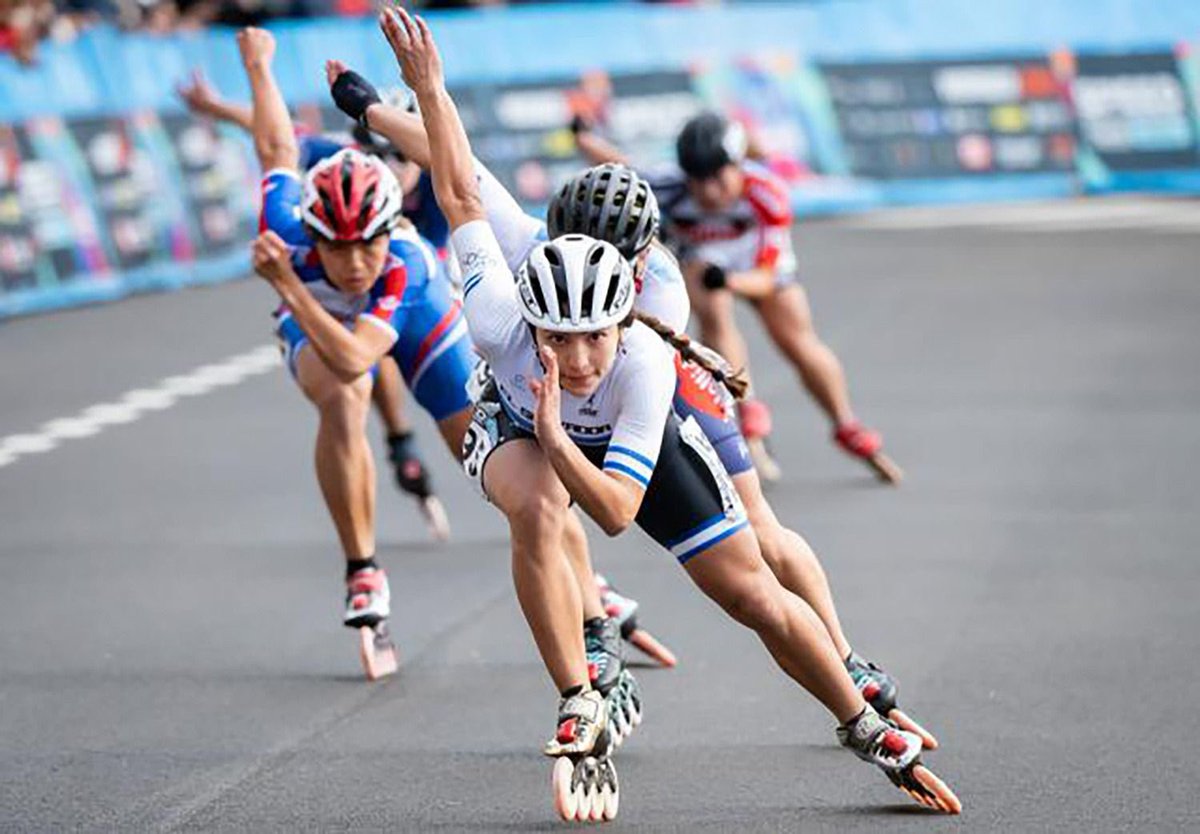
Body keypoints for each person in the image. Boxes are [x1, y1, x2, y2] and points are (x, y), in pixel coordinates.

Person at [380, 6, 960, 820]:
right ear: (532, 307)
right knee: (538, 505)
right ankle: (581, 684)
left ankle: (856, 702)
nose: (576, 358)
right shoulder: (498, 316)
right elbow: (458, 180)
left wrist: (558, 422)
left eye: (594, 339)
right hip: (519, 422)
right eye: (558, 338)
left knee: (752, 584)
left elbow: (617, 510)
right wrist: (412, 94)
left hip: (622, 426)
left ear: (624, 308)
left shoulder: (652, 340)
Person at [237, 26, 477, 678]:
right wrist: (260, 67)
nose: (349, 263)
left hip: (409, 308)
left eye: (362, 245)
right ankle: (363, 569)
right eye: (333, 248)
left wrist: (290, 281)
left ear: (387, 226)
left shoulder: (402, 258)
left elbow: (359, 349)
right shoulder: (285, 220)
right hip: (323, 322)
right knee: (346, 397)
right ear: (312, 230)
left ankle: (588, 587)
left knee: (485, 453)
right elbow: (273, 145)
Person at [176, 67, 449, 536]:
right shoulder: (348, 172)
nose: (386, 170)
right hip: (362, 292)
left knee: (403, 329)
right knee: (363, 348)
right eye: (373, 155)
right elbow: (280, 138)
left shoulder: (438, 184)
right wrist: (218, 107)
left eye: (399, 158)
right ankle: (399, 438)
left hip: (427, 279)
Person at [577, 111, 902, 484]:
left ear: (738, 166)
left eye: (717, 177)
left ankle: (846, 423)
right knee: (711, 305)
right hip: (707, 268)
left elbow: (765, 278)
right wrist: (585, 139)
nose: (708, 191)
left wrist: (730, 280)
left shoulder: (766, 193)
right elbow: (619, 170)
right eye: (697, 180)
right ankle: (741, 408)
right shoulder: (669, 186)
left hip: (759, 268)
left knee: (797, 341)